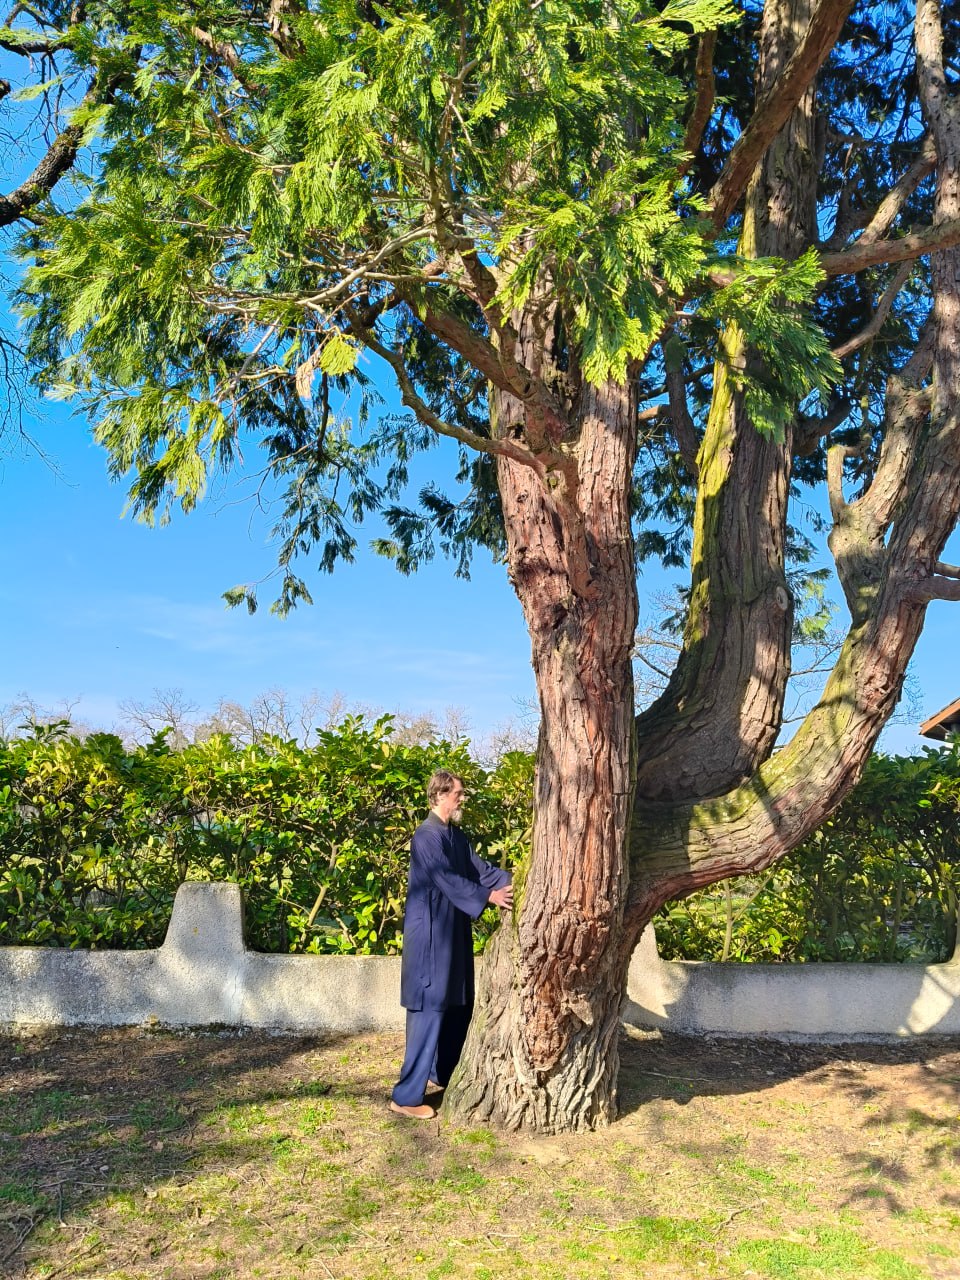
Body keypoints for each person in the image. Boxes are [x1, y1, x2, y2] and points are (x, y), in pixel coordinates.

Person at [389, 769, 513, 1119]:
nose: (462, 798)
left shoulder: (456, 838)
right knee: (428, 1011)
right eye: (458, 793)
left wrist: (520, 882)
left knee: (458, 1007)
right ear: (440, 795)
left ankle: (442, 1075)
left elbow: (480, 871)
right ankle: (406, 1096)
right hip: (430, 940)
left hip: (453, 936)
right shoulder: (426, 836)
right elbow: (447, 879)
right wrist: (487, 897)